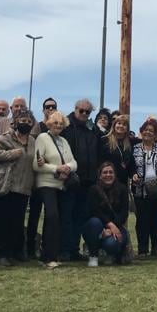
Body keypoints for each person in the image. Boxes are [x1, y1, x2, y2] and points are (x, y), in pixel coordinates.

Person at [0, 107, 37, 265]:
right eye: (23, 121)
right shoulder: (5, 137)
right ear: (15, 122)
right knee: (2, 220)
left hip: (23, 187)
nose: (26, 124)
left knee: (17, 221)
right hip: (5, 185)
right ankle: (0, 252)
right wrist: (10, 154)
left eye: (29, 121)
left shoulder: (33, 141)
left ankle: (16, 251)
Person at [33, 110, 78, 269]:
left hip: (62, 185)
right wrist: (56, 168)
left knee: (57, 219)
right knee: (52, 216)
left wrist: (67, 167)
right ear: (49, 123)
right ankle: (48, 256)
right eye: (55, 123)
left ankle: (52, 253)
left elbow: (74, 162)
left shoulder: (64, 141)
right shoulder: (42, 138)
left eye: (61, 123)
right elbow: (36, 165)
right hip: (46, 184)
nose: (58, 126)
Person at [61, 98, 100, 260]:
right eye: (81, 110)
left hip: (88, 182)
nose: (84, 114)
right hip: (70, 180)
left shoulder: (93, 129)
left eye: (87, 112)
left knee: (80, 217)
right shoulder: (66, 127)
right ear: (75, 109)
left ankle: (74, 249)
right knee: (66, 216)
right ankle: (63, 250)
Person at [131, 117, 157, 258]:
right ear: (141, 132)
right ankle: (142, 250)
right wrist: (133, 174)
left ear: (156, 134)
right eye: (145, 130)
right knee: (142, 220)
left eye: (151, 131)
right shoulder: (134, 148)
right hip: (141, 189)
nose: (148, 133)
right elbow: (131, 166)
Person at [25, 97, 57, 258]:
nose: (50, 109)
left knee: (50, 214)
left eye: (53, 107)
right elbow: (34, 148)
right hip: (38, 177)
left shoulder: (59, 128)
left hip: (53, 178)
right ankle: (30, 246)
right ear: (43, 109)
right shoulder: (38, 127)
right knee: (34, 213)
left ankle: (46, 246)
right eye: (47, 107)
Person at [84, 161, 130, 267]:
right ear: (100, 175)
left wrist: (113, 227)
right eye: (105, 172)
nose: (108, 175)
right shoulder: (93, 190)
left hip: (117, 226)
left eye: (111, 172)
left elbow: (124, 213)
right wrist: (108, 226)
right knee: (94, 223)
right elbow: (94, 211)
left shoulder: (122, 189)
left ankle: (111, 254)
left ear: (115, 174)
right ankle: (93, 255)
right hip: (97, 227)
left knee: (111, 244)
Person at [99, 114, 135, 184]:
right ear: (114, 125)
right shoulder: (104, 140)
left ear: (127, 128)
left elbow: (131, 164)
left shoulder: (130, 143)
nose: (121, 126)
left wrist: (133, 174)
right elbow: (99, 161)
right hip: (107, 180)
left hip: (123, 181)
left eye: (124, 124)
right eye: (119, 123)